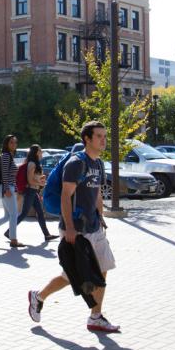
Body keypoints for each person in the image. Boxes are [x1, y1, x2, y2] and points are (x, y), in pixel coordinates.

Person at [28, 121, 119, 333]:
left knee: (103, 268)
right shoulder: (76, 163)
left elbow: (96, 192)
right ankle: (38, 296)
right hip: (76, 229)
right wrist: (69, 227)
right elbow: (65, 196)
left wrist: (101, 216)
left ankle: (95, 317)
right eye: (99, 136)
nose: (104, 140)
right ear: (87, 139)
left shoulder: (98, 164)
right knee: (71, 277)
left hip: (94, 227)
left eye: (105, 136)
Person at [14, 145, 56, 241]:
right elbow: (30, 180)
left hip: (33, 191)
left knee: (40, 213)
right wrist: (41, 183)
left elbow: (34, 178)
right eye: (40, 151)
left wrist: (41, 179)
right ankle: (9, 231)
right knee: (24, 213)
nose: (41, 152)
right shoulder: (32, 164)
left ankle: (47, 235)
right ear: (36, 152)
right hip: (30, 191)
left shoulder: (34, 163)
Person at [0, 134, 24, 247]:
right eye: (11, 142)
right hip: (7, 188)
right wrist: (6, 189)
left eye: (15, 142)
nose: (14, 144)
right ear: (6, 144)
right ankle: (13, 240)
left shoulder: (9, 155)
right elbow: (4, 174)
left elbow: (10, 174)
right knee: (14, 214)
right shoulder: (6, 156)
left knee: (7, 216)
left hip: (9, 187)